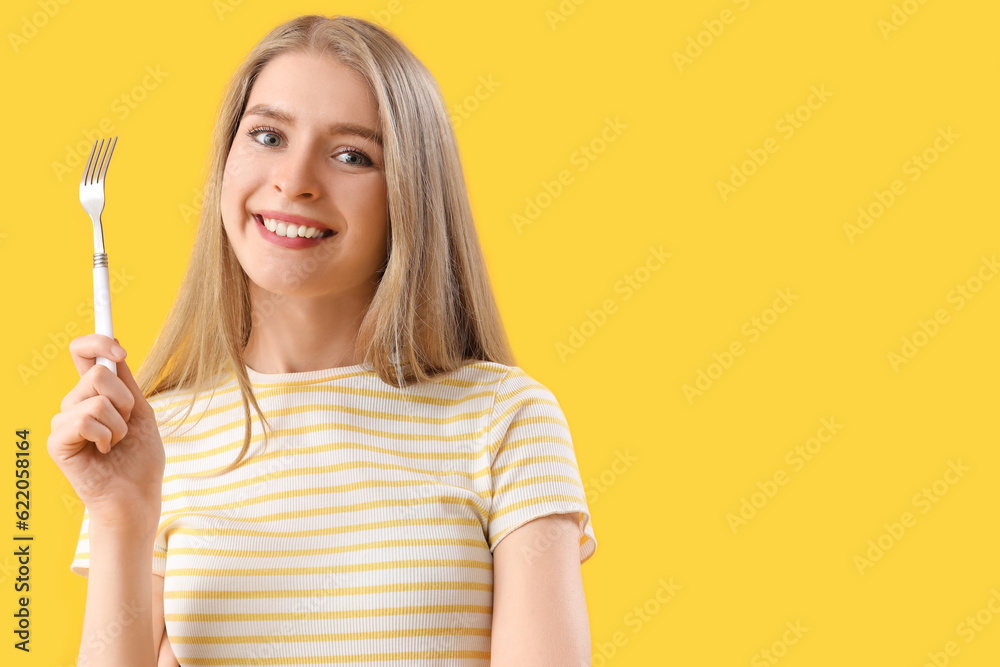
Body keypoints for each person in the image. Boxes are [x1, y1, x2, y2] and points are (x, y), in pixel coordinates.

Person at [48, 14, 597, 666]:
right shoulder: (154, 439)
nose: (295, 179)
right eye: (268, 135)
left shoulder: (506, 420)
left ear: (410, 195)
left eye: (351, 155)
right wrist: (121, 516)